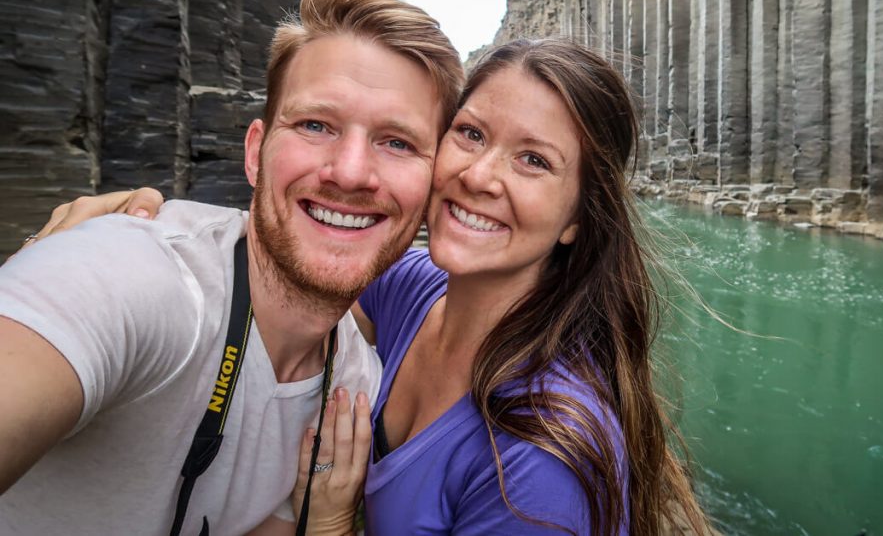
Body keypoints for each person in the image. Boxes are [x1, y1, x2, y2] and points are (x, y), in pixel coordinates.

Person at [49, 40, 716, 535]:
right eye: (471, 133)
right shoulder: (416, 289)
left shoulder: (543, 464)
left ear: (577, 217)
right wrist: (142, 224)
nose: (480, 174)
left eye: (533, 160)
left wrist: (334, 522)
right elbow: (307, 241)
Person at [0, 0, 465, 535]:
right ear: (254, 152)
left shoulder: (351, 387)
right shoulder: (136, 274)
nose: (350, 171)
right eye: (316, 125)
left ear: (433, 184)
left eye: (397, 143)